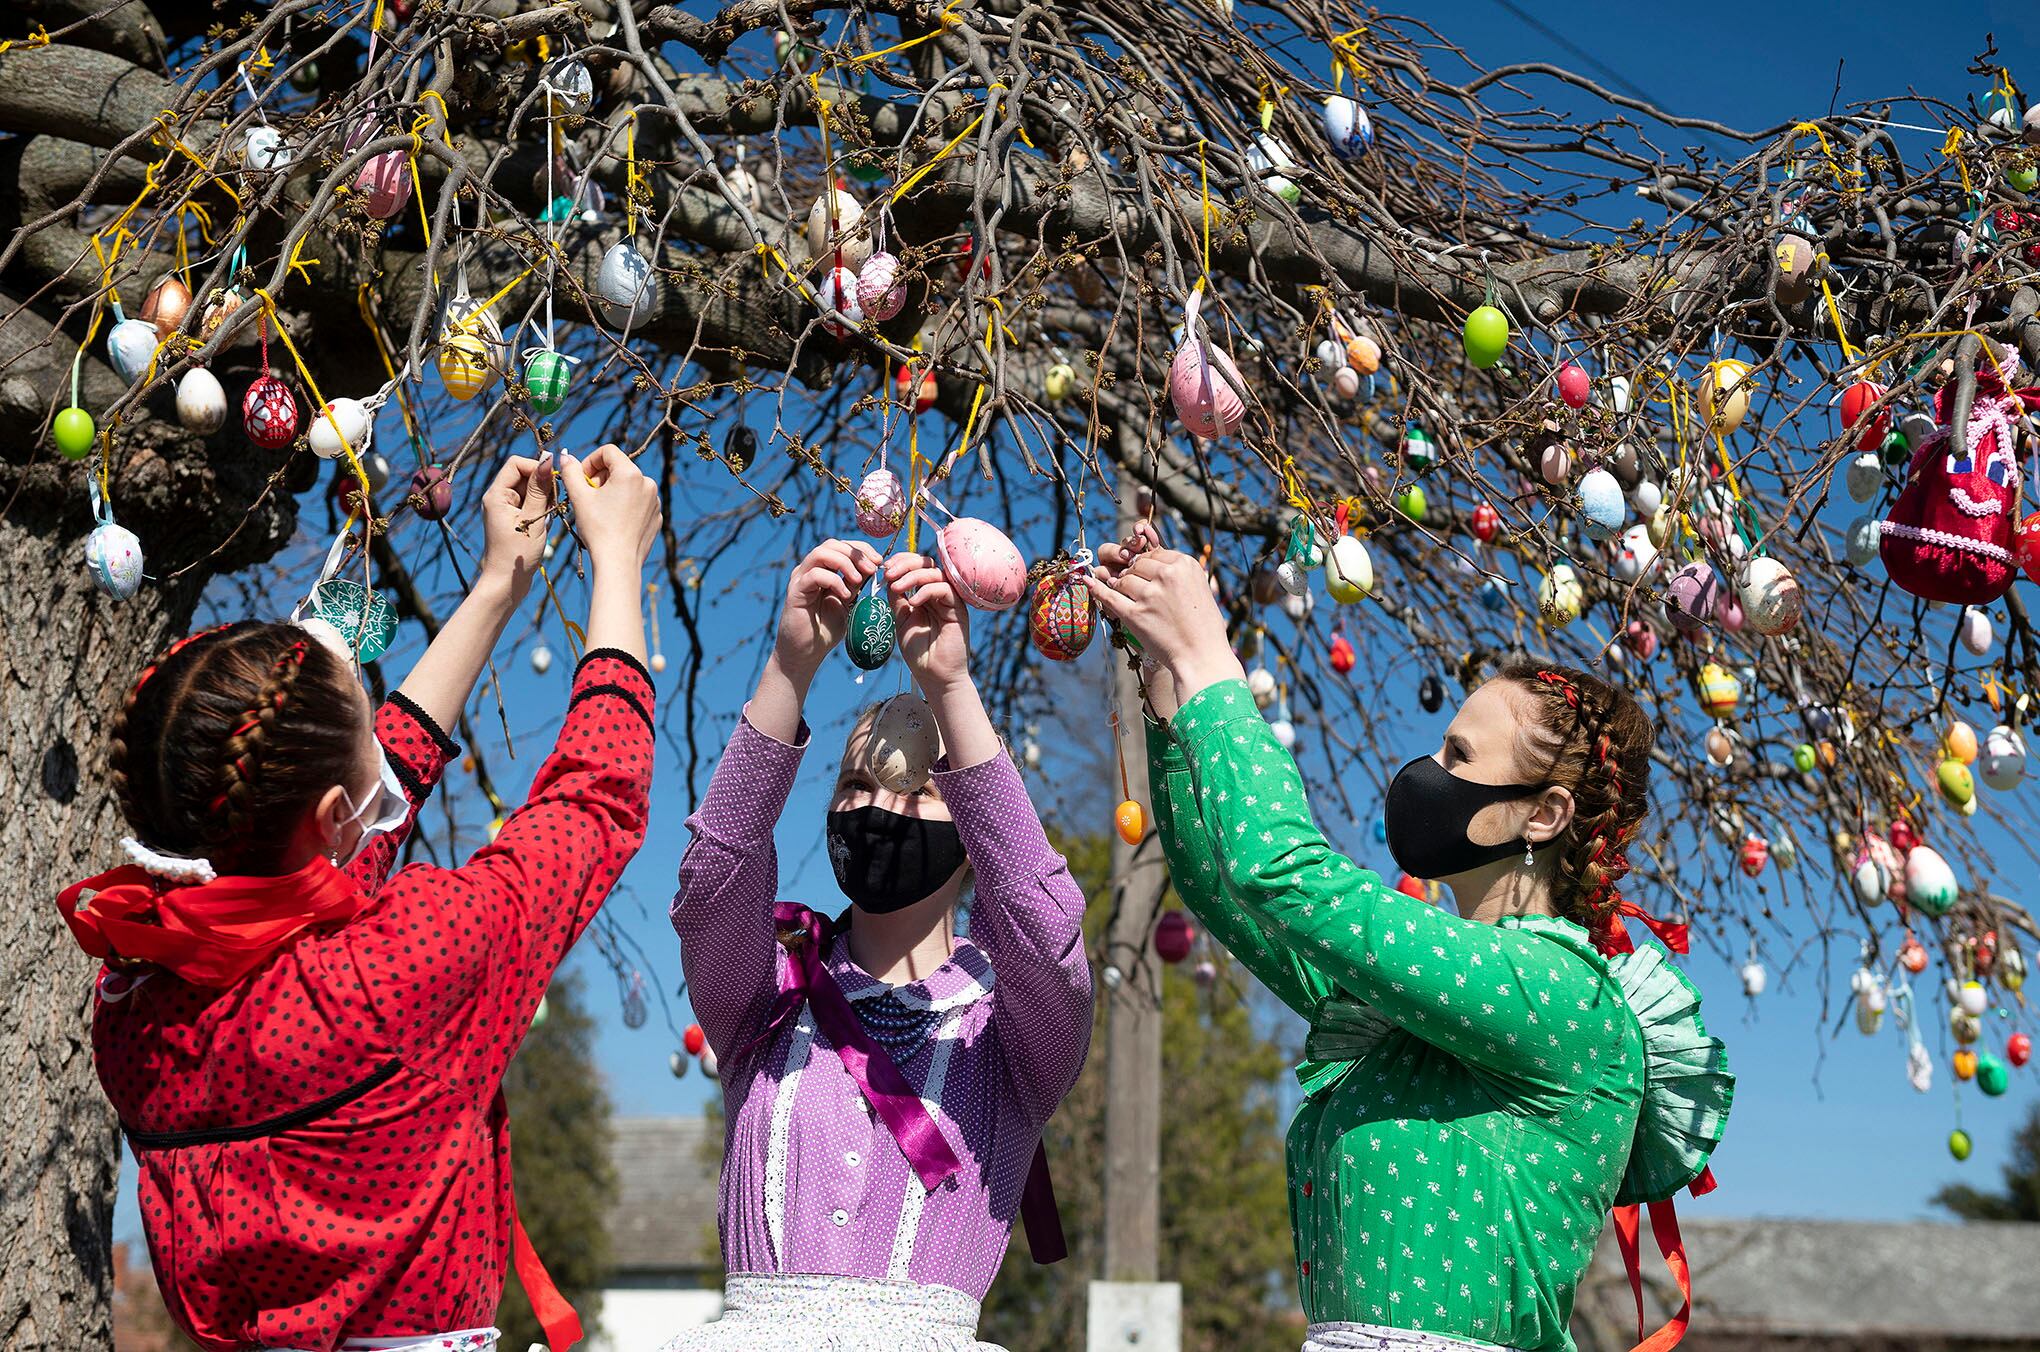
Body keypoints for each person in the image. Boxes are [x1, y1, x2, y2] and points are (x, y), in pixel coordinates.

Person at [59, 447, 664, 1352]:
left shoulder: (136, 1009)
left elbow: (340, 817)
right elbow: (594, 800)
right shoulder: (396, 972)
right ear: (337, 818)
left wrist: (499, 585)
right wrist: (619, 562)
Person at [1087, 526, 1732, 1352]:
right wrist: (1171, 692)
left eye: (1458, 755)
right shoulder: (1409, 1008)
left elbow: (1280, 869)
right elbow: (1229, 891)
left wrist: (1215, 660)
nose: (1426, 769)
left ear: (1542, 814)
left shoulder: (1563, 996)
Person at [668, 541, 1092, 1352]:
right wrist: (792, 667)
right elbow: (712, 880)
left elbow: (1046, 932)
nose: (878, 804)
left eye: (920, 787)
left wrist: (950, 686)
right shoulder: (765, 1000)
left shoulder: (1008, 1036)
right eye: (856, 784)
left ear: (973, 828)